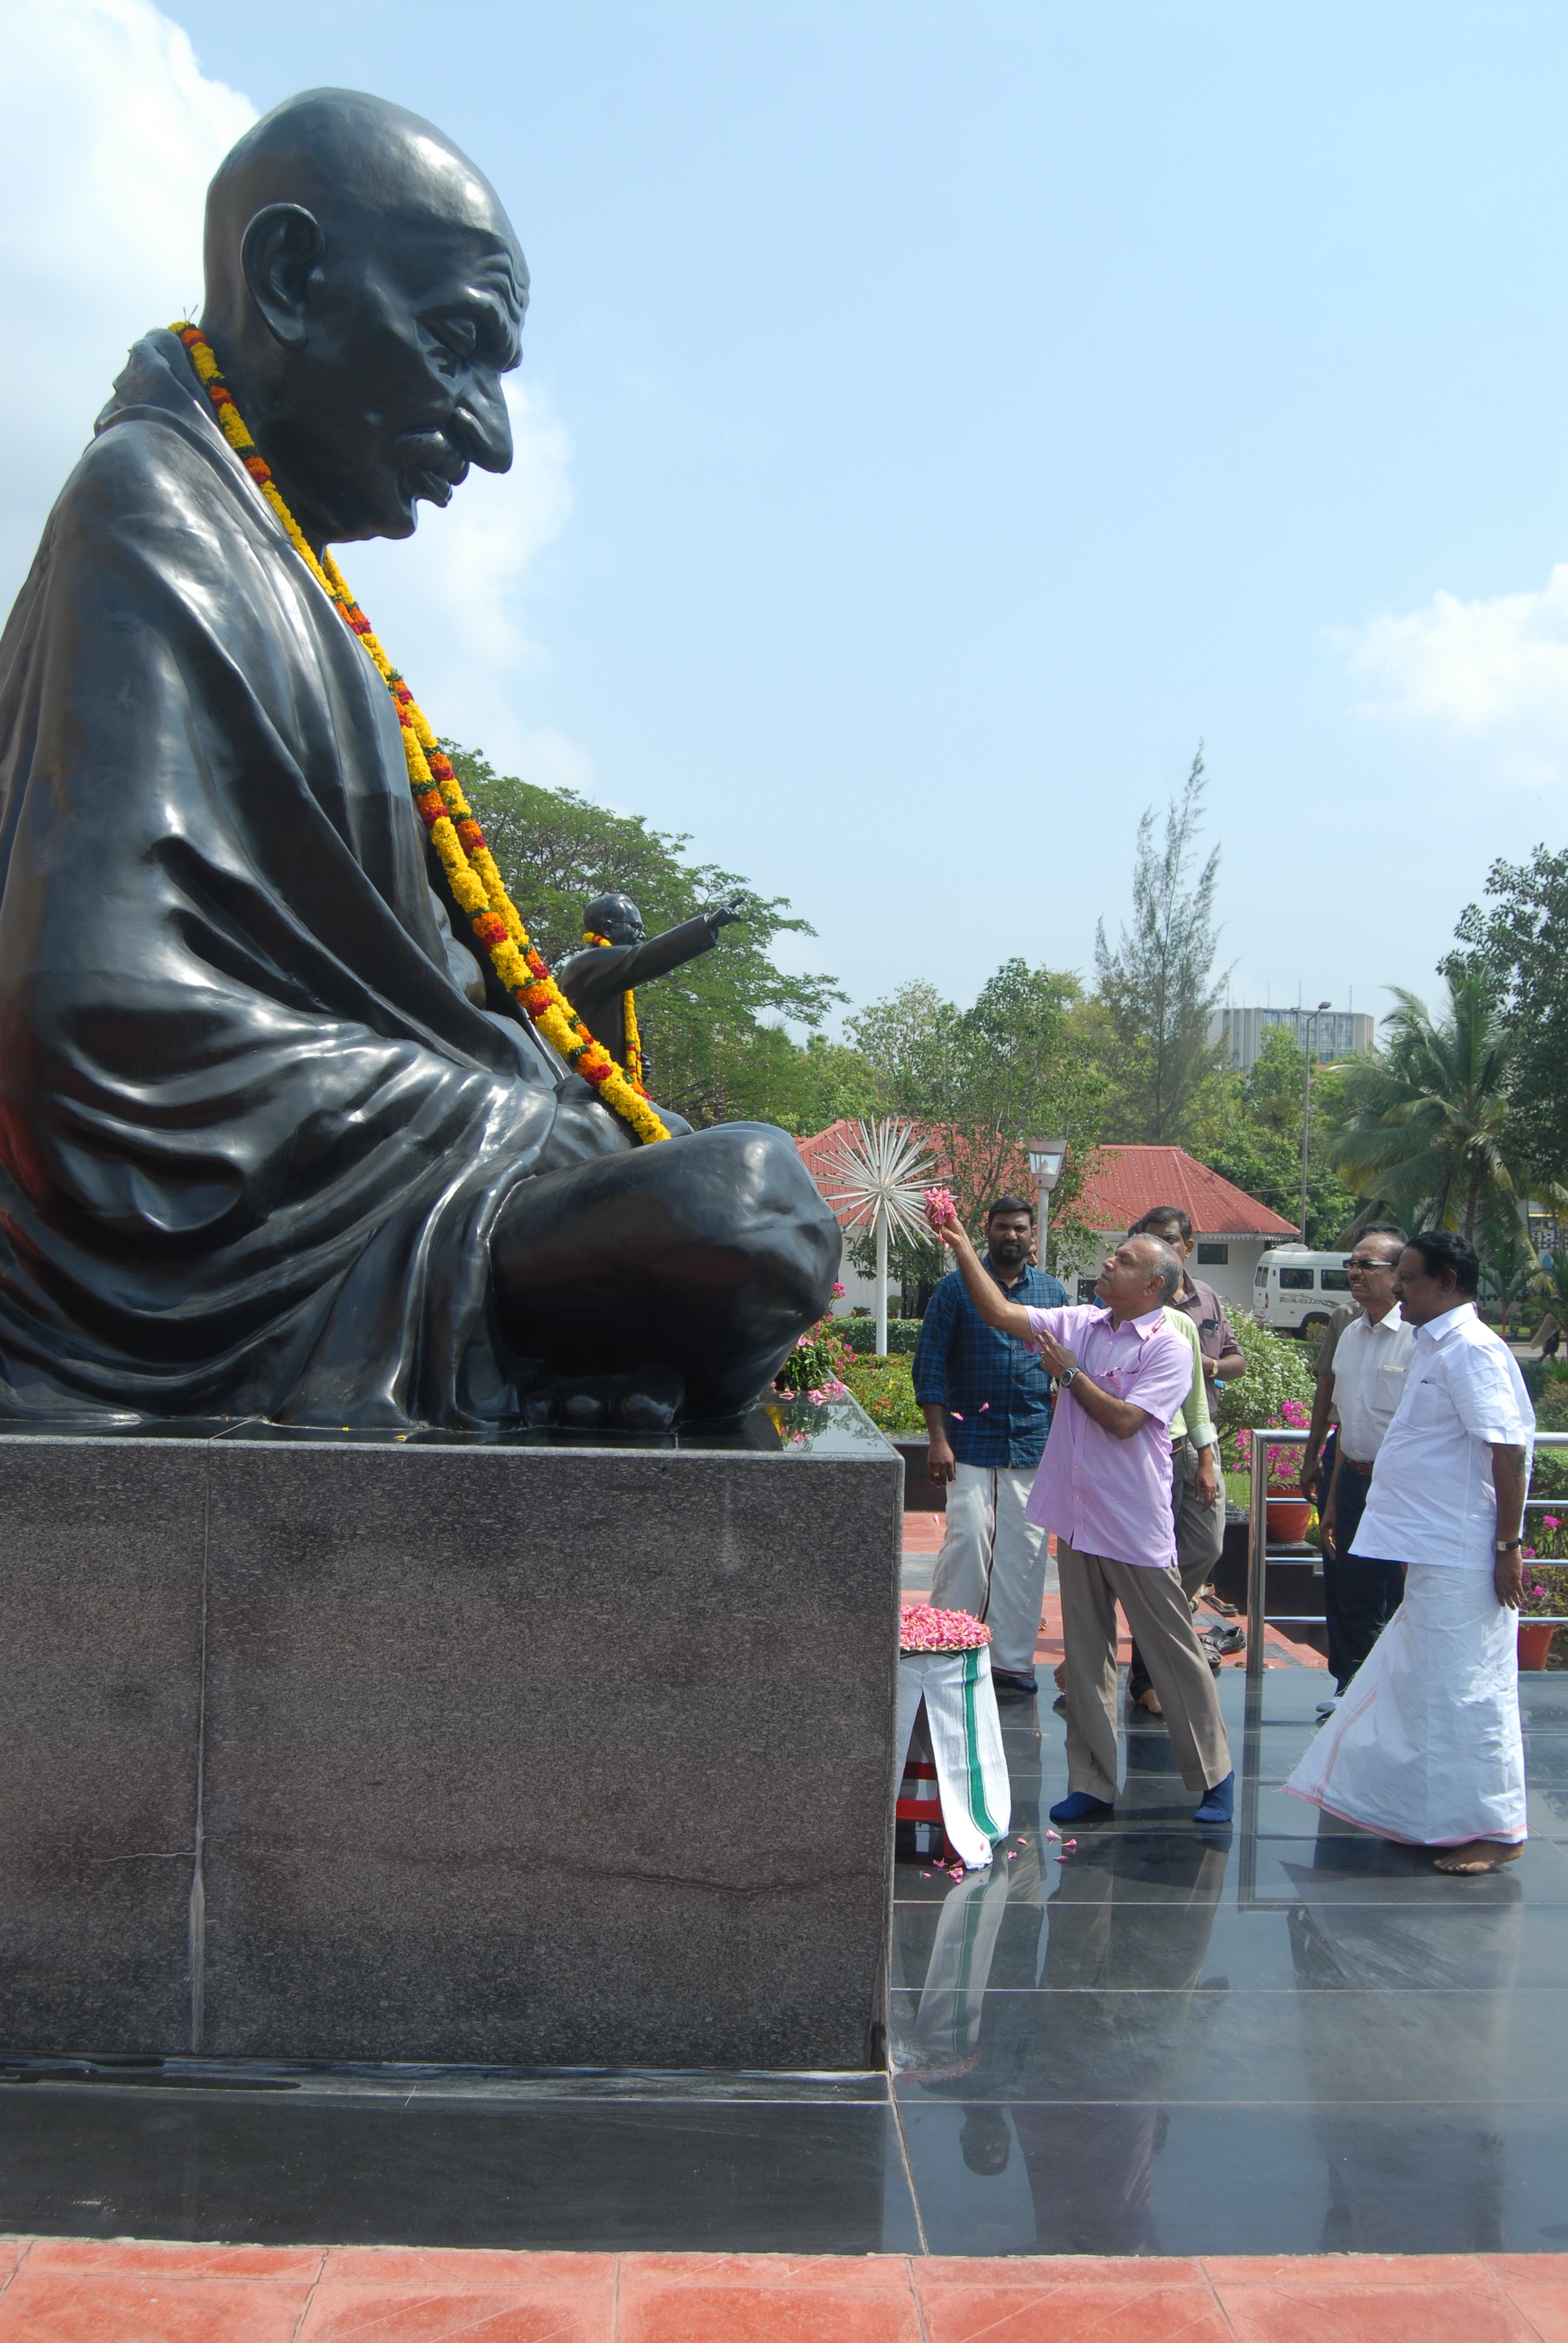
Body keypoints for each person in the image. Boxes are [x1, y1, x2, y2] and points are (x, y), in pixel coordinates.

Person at [0, 91, 839, 1428]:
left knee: (742, 1200)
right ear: (289, 278)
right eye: (456, 348)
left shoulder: (286, 566)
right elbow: (98, 1023)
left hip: (400, 1170)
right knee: (735, 1210)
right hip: (228, 1245)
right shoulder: (151, 509)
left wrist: (548, 1104)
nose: (492, 436)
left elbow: (425, 991)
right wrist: (530, 1125)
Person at [929, 1215, 1235, 1826]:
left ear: (1154, 1285)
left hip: (1133, 1519)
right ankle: (1093, 1781)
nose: (1108, 1263)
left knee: (1171, 1649)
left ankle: (1214, 1775)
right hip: (1078, 1515)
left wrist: (1069, 1374)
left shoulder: (1168, 1345)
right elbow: (999, 1313)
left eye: (1124, 1261)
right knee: (1088, 1651)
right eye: (1113, 1255)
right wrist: (961, 1244)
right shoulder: (1084, 1321)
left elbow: (1124, 1421)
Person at [1285, 1231, 1533, 1874]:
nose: (1400, 1287)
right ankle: (1430, 1817)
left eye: (1412, 1278)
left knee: (1470, 1688)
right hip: (1431, 1549)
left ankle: (1498, 1827)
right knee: (1425, 1686)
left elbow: (1509, 1451)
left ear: (1447, 1284)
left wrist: (1508, 1546)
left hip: (1466, 1553)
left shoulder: (1473, 1350)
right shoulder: (1435, 1345)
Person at [913, 1198, 1068, 1700]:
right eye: (1003, 1227)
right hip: (970, 1441)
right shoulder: (955, 1289)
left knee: (1025, 1552)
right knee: (969, 1540)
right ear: (988, 1230)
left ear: (1032, 1234)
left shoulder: (1051, 1293)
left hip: (1032, 1440)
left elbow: (1067, 1369)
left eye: (1020, 1228)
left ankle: (1010, 1662)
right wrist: (938, 1440)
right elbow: (930, 1366)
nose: (1011, 1236)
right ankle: (945, 1649)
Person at [1314, 1228, 1414, 1715]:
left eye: (1366, 1265)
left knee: (1400, 1595)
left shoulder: (1418, 1338)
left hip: (1402, 1488)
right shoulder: (1352, 1333)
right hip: (1352, 1478)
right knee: (1351, 1589)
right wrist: (1333, 1498)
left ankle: (1395, 1698)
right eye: (1351, 1264)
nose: (1354, 1273)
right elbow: (1347, 1424)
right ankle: (1351, 1693)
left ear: (1399, 1273)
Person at [1128, 1208, 1246, 1611]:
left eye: (1171, 1240)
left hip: (1199, 1437)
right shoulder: (1133, 1297)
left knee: (1207, 1543)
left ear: (1188, 1247)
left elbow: (1236, 1362)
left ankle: (1165, 1613)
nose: (1162, 1246)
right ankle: (1157, 1625)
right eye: (1153, 1239)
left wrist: (1205, 1364)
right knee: (1150, 1543)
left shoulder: (1206, 1298)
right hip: (1148, 1437)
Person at [1124, 1285, 1225, 1714]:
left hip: (1175, 1454)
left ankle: (1156, 1663)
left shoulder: (1180, 1323)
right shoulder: (1100, 1323)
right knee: (1141, 1568)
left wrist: (1206, 1459)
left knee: (1195, 1553)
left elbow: (1196, 1398)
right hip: (1122, 1458)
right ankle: (1145, 1676)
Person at [555, 893, 745, 1083]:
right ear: (609, 928)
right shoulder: (587, 964)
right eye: (636, 927)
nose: (643, 936)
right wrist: (707, 924)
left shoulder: (608, 972)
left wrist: (636, 1063)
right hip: (583, 1084)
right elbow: (645, 956)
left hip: (607, 1082)